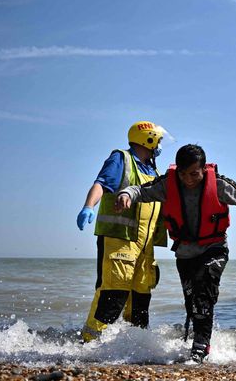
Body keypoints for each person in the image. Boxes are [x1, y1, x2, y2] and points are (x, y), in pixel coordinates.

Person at [115, 144, 236, 363]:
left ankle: (200, 346)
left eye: (194, 174)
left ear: (204, 169)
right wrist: (126, 194)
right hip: (185, 254)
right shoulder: (168, 184)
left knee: (203, 292)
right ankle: (192, 340)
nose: (188, 179)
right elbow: (141, 190)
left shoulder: (219, 184)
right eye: (183, 174)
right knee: (192, 304)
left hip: (214, 248)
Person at [76, 121, 167, 342]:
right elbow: (101, 183)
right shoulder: (121, 159)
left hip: (145, 247)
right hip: (119, 240)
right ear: (148, 139)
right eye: (158, 141)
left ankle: (135, 345)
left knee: (140, 298)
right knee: (112, 292)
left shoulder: (154, 170)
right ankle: (88, 343)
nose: (159, 146)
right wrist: (89, 206)